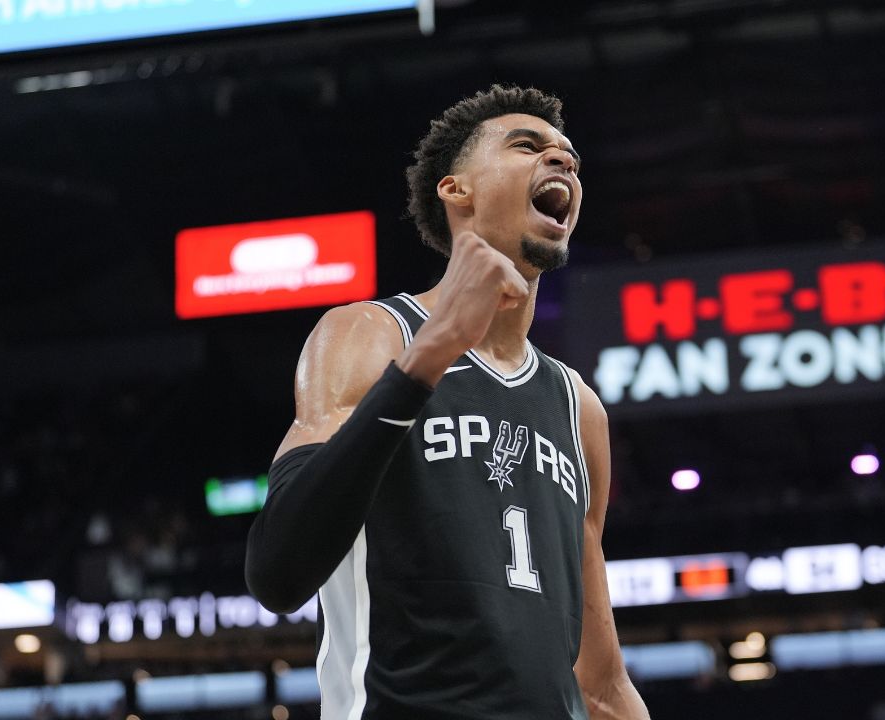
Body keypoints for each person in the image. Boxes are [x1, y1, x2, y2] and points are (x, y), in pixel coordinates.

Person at [245, 85, 650, 719]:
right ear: (455, 188)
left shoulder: (578, 409)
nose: (563, 161)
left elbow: (599, 680)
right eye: (527, 146)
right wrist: (430, 356)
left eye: (569, 156)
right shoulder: (371, 334)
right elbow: (278, 571)